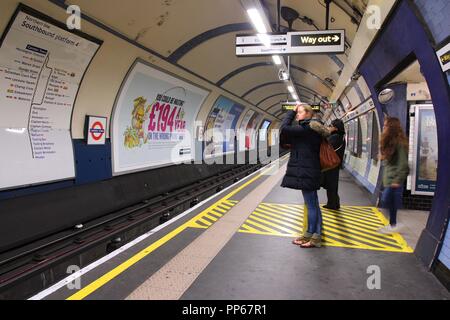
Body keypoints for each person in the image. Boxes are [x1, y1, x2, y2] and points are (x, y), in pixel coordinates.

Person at [280, 105, 330, 248]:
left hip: (307, 171)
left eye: (300, 112)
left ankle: (313, 236)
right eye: (297, 112)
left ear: (308, 114)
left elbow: (284, 128)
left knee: (311, 205)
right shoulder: (309, 128)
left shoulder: (307, 128)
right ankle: (312, 235)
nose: (297, 114)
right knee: (313, 204)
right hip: (309, 170)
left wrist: (291, 111)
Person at [378, 117, 409, 234]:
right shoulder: (390, 142)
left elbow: (403, 163)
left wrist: (397, 179)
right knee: (390, 203)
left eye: (385, 126)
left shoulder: (400, 143)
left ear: (391, 128)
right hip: (389, 180)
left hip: (394, 181)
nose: (383, 128)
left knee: (386, 201)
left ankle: (394, 224)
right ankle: (393, 224)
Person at [322, 119, 346, 210]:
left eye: (330, 126)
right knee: (332, 184)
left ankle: (332, 204)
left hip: (331, 164)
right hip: (335, 163)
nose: (329, 127)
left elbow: (326, 147)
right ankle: (334, 203)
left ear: (335, 128)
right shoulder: (341, 136)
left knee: (330, 184)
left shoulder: (335, 137)